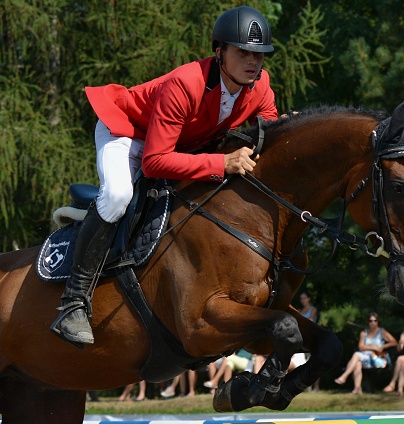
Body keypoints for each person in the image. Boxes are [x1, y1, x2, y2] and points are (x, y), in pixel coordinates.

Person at [51, 6, 279, 345]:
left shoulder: (259, 86)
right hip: (128, 134)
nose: (253, 61)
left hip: (178, 144)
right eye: (243, 52)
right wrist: (220, 164)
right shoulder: (185, 84)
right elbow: (155, 162)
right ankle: (73, 302)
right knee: (117, 197)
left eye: (259, 54)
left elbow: (270, 127)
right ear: (220, 52)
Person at [334, 313, 396, 394]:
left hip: (378, 359)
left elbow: (394, 342)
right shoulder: (364, 333)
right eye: (370, 321)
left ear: (378, 322)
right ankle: (357, 389)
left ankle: (344, 376)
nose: (373, 323)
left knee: (356, 355)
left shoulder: (382, 332)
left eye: (375, 321)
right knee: (358, 363)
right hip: (365, 357)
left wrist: (383, 346)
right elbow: (361, 347)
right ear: (368, 322)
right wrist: (374, 347)